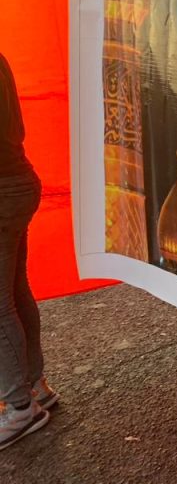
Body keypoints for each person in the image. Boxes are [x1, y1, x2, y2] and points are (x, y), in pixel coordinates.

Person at [0, 52, 58, 450]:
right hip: (18, 180)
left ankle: (20, 408)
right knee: (15, 293)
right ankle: (36, 386)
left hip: (3, 190)